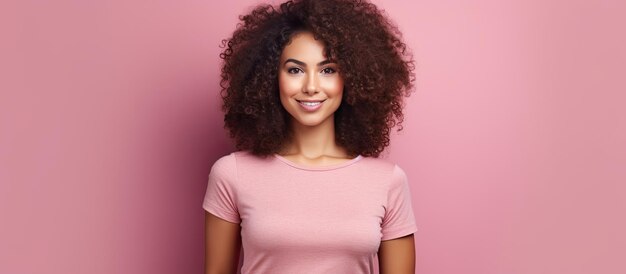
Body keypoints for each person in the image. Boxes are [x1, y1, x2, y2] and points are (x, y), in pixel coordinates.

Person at [203, 0, 417, 273]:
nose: (311, 86)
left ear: (351, 78)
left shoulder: (388, 181)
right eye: (295, 70)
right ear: (270, 77)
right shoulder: (231, 173)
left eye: (328, 70)